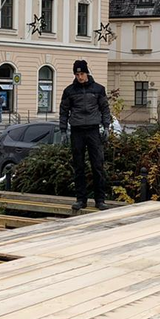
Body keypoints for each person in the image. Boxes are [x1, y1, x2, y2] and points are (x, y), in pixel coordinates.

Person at [59, 59, 112, 211]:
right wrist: (63, 130)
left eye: (82, 74)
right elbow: (64, 111)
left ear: (87, 73)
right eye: (77, 74)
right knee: (78, 167)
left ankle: (100, 199)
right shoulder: (69, 91)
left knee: (98, 165)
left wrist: (106, 126)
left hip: (93, 130)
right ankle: (81, 199)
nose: (80, 77)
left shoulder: (98, 89)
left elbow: (105, 109)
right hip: (77, 131)